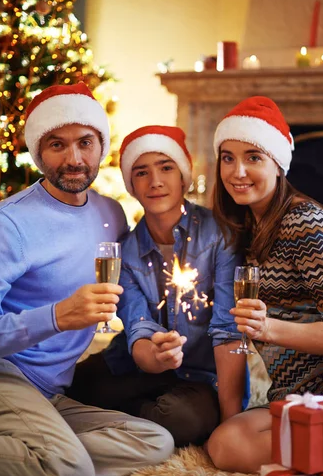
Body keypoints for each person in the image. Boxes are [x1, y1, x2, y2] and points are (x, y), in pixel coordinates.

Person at [0, 83, 174, 476]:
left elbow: (123, 293)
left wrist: (146, 334)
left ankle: (42, 456)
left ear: (100, 146)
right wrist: (56, 316)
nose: (74, 159)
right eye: (57, 144)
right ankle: (54, 462)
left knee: (156, 441)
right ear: (39, 151)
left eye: (85, 143)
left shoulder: (111, 213)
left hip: (51, 393)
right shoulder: (6, 225)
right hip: (2, 376)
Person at [206, 95, 323, 476]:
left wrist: (267, 328)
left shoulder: (303, 221)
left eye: (253, 157)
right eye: (228, 158)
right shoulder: (247, 228)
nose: (238, 171)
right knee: (224, 444)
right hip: (293, 392)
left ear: (277, 164)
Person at [68, 125, 247, 447]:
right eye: (141, 173)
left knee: (180, 420)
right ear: (132, 186)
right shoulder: (126, 250)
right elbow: (137, 325)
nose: (156, 182)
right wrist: (154, 354)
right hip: (136, 367)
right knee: (71, 386)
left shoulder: (220, 236)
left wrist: (230, 421)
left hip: (201, 378)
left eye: (166, 167)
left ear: (184, 177)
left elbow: (228, 329)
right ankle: (130, 422)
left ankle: (115, 422)